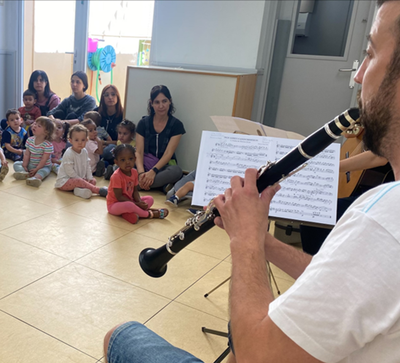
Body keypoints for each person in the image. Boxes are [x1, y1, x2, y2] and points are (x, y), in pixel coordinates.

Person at [104, 1, 400, 362]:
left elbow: (253, 355)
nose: (358, 75)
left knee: (118, 336)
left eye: (370, 53)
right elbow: (341, 282)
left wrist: (244, 243)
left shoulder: (384, 222)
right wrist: (262, 241)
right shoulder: (386, 207)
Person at [135, 85, 185, 191]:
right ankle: (158, 185)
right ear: (151, 103)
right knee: (122, 167)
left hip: (163, 168)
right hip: (143, 166)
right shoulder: (143, 123)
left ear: (170, 101)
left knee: (177, 171)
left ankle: (135, 185)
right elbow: (138, 152)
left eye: (164, 101)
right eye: (157, 102)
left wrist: (153, 172)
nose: (161, 106)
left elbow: (168, 153)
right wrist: (141, 173)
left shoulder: (177, 125)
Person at [106, 144, 169, 224]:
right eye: (123, 160)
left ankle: (130, 214)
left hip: (130, 201)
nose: (127, 162)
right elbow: (119, 197)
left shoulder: (135, 172)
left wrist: (139, 202)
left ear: (135, 159)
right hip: (114, 205)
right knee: (129, 206)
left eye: (130, 159)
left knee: (150, 199)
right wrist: (136, 204)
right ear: (116, 162)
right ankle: (149, 214)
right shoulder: (116, 176)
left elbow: (135, 191)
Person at [55, 124, 108, 199]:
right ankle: (98, 190)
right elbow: (69, 170)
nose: (80, 143)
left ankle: (79, 191)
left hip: (79, 179)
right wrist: (79, 179)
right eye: (76, 140)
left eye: (83, 140)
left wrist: (89, 177)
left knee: (93, 181)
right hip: (65, 181)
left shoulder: (84, 151)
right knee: (80, 182)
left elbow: (87, 166)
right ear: (70, 140)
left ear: (87, 140)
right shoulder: (69, 152)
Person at [13, 117, 54, 187]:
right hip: (30, 164)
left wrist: (37, 169)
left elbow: (44, 159)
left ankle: (35, 178)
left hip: (42, 166)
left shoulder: (48, 145)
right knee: (16, 164)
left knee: (44, 171)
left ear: (46, 131)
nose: (34, 126)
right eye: (35, 123)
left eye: (39, 126)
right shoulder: (30, 140)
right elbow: (27, 154)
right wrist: (25, 165)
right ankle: (24, 173)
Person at [95, 85, 124, 163]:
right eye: (106, 95)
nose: (110, 97)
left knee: (109, 150)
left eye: (113, 94)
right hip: (96, 144)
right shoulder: (96, 112)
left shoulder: (123, 114)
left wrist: (104, 143)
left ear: (117, 96)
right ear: (102, 98)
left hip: (113, 146)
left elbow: (121, 141)